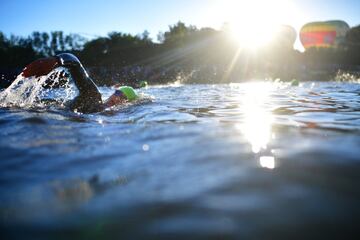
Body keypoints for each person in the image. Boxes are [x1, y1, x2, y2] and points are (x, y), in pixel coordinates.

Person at [21, 53, 138, 113]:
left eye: (123, 97)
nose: (117, 98)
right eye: (117, 93)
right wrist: (56, 60)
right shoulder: (93, 96)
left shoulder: (105, 114)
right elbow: (74, 62)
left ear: (126, 104)